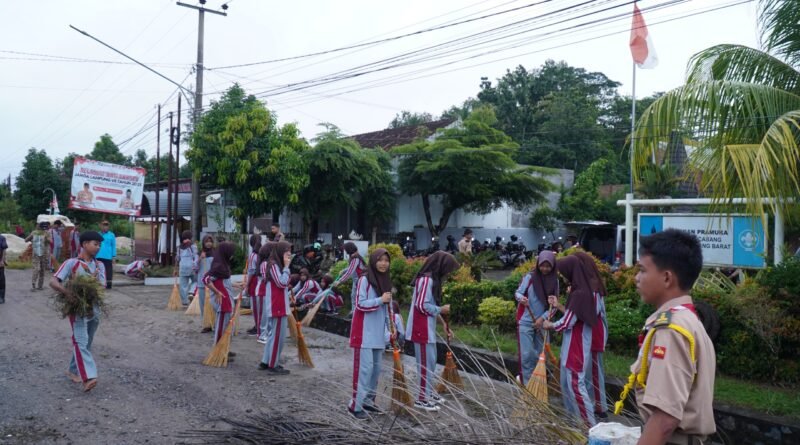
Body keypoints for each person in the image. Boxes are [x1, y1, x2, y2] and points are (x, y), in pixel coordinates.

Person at [619, 229, 716, 445]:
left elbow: (664, 420)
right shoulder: (688, 320)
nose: (636, 278)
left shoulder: (671, 330)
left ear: (666, 277)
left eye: (642, 270)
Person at [543, 251, 608, 426]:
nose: (563, 277)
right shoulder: (581, 291)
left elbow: (568, 322)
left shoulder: (581, 294)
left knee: (576, 385)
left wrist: (550, 325)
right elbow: (574, 316)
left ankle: (589, 427)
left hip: (577, 345)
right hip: (575, 343)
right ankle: (577, 422)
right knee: (574, 384)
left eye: (564, 273)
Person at [50, 230, 106, 393]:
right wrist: (68, 293)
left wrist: (93, 282)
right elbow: (53, 281)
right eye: (95, 244)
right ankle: (89, 376)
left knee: (87, 341)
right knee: (80, 340)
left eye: (99, 245)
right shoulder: (71, 263)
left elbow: (102, 287)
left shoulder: (99, 265)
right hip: (77, 308)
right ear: (84, 244)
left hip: (94, 308)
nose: (98, 248)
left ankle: (73, 370)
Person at [406, 251, 458, 411]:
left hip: (427, 328)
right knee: (424, 364)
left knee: (431, 361)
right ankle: (422, 398)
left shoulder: (432, 280)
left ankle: (428, 392)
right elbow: (421, 305)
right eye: (448, 269)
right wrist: (441, 309)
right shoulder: (426, 280)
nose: (448, 274)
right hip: (420, 329)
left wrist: (443, 323)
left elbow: (429, 306)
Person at [348, 248, 393, 420]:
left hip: (378, 335)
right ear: (373, 261)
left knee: (375, 371)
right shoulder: (364, 280)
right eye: (380, 260)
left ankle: (368, 402)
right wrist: (379, 300)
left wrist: (391, 329)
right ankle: (355, 405)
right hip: (364, 333)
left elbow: (388, 307)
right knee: (364, 370)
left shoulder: (385, 281)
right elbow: (360, 304)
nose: (383, 263)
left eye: (386, 260)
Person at [515, 250, 558, 386]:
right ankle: (527, 384)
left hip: (543, 323)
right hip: (526, 322)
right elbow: (518, 293)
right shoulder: (529, 277)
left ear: (552, 266)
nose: (545, 269)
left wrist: (542, 319)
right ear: (538, 264)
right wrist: (522, 299)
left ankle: (539, 384)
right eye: (542, 265)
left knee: (541, 355)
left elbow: (555, 305)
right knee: (527, 355)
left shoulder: (555, 281)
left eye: (548, 266)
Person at [258, 241, 292, 374]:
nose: (289, 254)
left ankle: (266, 361)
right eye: (286, 251)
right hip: (277, 305)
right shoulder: (273, 265)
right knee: (278, 337)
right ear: (280, 251)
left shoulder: (275, 265)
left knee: (273, 336)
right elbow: (281, 283)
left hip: (277, 304)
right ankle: (273, 364)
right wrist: (287, 267)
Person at [202, 242, 239, 351]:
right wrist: (217, 292)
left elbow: (222, 281)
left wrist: (236, 284)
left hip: (227, 301)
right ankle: (218, 349)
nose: (232, 255)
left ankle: (225, 348)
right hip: (222, 301)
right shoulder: (218, 266)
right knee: (221, 326)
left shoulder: (223, 264)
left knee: (227, 326)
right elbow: (205, 279)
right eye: (231, 252)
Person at [335, 242, 367, 315]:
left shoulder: (355, 258)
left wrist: (339, 281)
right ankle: (354, 312)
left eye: (346, 249)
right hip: (357, 281)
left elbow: (350, 272)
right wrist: (343, 271)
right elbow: (351, 268)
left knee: (357, 297)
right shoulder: (355, 257)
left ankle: (355, 313)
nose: (345, 251)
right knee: (353, 296)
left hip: (360, 281)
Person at [255, 242, 275, 343]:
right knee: (263, 315)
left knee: (267, 314)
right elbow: (266, 278)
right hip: (263, 291)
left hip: (267, 292)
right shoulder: (265, 264)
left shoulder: (268, 263)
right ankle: (261, 335)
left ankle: (267, 333)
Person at [26, 222, 52, 291]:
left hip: (44, 254)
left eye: (45, 228)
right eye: (42, 227)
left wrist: (46, 237)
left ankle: (40, 286)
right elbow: (26, 240)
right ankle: (33, 284)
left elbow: (51, 241)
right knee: (37, 269)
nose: (43, 229)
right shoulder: (34, 232)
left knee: (42, 270)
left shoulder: (47, 233)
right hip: (36, 254)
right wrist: (32, 239)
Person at [175, 231, 199, 306]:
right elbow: (196, 256)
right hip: (192, 267)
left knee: (183, 285)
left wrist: (175, 269)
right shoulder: (193, 246)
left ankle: (185, 301)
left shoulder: (179, 247)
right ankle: (191, 292)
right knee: (196, 280)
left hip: (182, 267)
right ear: (190, 237)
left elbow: (177, 259)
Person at [245, 234, 262, 336]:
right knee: (261, 306)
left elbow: (251, 271)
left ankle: (258, 326)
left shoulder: (253, 255)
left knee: (255, 306)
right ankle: (259, 325)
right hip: (262, 280)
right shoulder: (263, 252)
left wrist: (247, 285)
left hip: (255, 281)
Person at [198, 235, 215, 332]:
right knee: (203, 304)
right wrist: (200, 258)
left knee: (213, 304)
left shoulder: (216, 253)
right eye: (206, 241)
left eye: (210, 241)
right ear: (203, 243)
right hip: (202, 283)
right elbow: (195, 268)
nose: (209, 243)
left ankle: (214, 323)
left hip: (212, 283)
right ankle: (206, 324)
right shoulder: (200, 253)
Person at [96, 221, 116, 290]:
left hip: (108, 256)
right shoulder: (98, 234)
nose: (105, 227)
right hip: (98, 255)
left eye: (106, 225)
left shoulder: (111, 235)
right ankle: (98, 284)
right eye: (104, 225)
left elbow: (113, 246)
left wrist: (113, 256)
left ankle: (109, 284)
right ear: (100, 226)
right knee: (98, 270)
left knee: (108, 271)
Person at [0, 232, 7, 304]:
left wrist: (2, 260)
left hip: (0, 262)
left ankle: (1, 297)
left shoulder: (2, 238)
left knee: (1, 280)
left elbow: (4, 250)